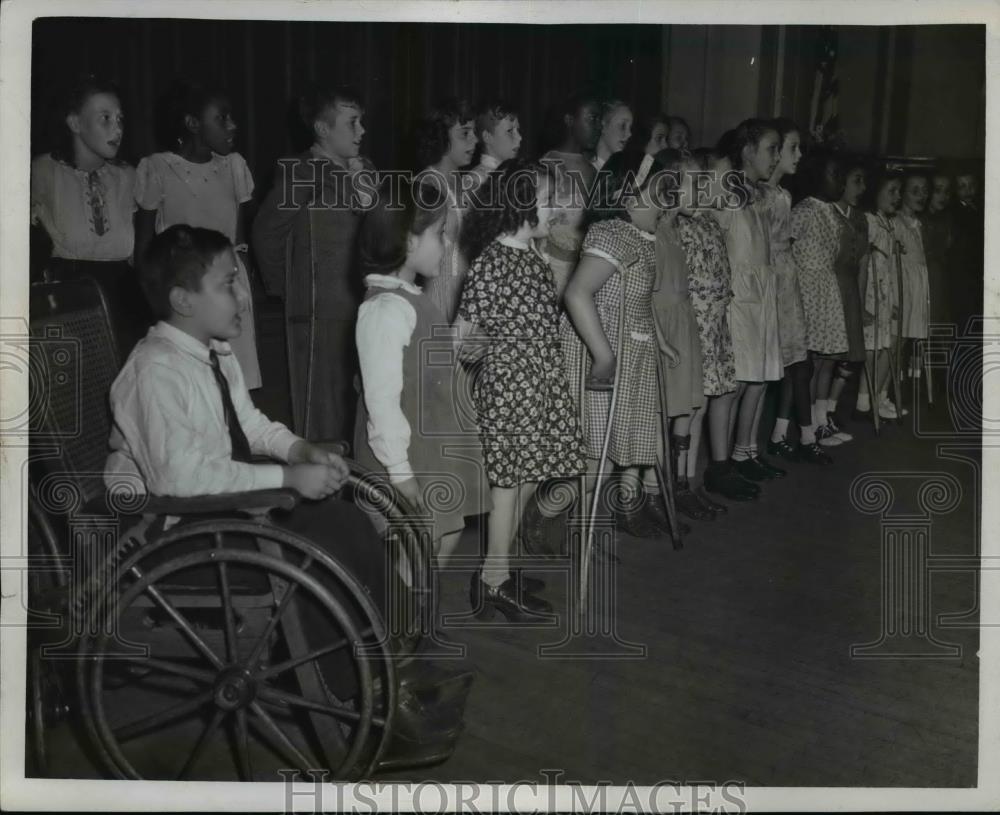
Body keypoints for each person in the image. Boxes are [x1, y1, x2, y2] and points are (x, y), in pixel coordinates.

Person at [105, 224, 386, 702]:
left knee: (345, 520)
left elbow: (250, 426)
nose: (243, 295)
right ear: (183, 300)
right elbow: (180, 477)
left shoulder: (213, 352)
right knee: (317, 554)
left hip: (218, 509)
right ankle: (341, 692)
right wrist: (285, 477)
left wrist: (299, 450)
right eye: (227, 283)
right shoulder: (155, 371)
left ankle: (384, 661)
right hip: (170, 532)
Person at [354, 178, 492, 637]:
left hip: (432, 449)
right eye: (439, 234)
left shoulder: (412, 298)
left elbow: (420, 361)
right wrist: (399, 471)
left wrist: (458, 348)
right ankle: (393, 632)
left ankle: (410, 621)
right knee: (417, 546)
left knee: (443, 534)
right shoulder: (383, 309)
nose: (446, 243)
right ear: (409, 240)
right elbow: (381, 397)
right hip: (407, 457)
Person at [456, 158, 586, 620]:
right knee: (509, 486)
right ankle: (494, 581)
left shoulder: (531, 253)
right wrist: (483, 340)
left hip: (538, 383)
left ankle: (499, 566)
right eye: (549, 202)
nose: (557, 211)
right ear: (520, 206)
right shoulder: (493, 259)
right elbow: (461, 336)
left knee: (528, 478)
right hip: (512, 390)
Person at [562, 151, 679, 539]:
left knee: (615, 451)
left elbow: (640, 300)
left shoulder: (642, 238)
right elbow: (578, 293)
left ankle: (580, 526)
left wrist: (659, 339)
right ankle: (545, 514)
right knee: (598, 456)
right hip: (604, 356)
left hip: (633, 351)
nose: (668, 202)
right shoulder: (612, 234)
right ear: (628, 195)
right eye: (660, 192)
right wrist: (604, 355)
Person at [252, 85, 375, 441]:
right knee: (323, 416)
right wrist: (290, 291)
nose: (361, 131)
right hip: (320, 313)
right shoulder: (301, 171)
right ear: (322, 129)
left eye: (362, 122)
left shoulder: (366, 170)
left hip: (363, 306)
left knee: (363, 408)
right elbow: (267, 234)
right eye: (352, 123)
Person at [134, 80, 261, 389]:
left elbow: (240, 242)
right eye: (222, 118)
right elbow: (144, 245)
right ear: (192, 123)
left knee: (234, 379)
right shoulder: (157, 168)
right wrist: (154, 298)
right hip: (184, 289)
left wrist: (241, 288)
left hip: (228, 286)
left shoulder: (234, 166)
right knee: (191, 381)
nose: (233, 125)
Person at [30, 73, 152, 355]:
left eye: (120, 119)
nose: (117, 129)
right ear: (74, 123)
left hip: (124, 304)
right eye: (105, 118)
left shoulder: (130, 177)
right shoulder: (43, 172)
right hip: (66, 303)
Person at [649, 149, 719, 520]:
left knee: (687, 407)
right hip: (665, 326)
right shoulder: (656, 230)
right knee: (662, 411)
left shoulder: (676, 228)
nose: (703, 190)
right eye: (695, 183)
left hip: (685, 321)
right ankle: (655, 494)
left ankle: (679, 487)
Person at [714, 119, 784, 488]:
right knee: (738, 381)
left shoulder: (760, 194)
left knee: (759, 379)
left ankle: (746, 451)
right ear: (747, 151)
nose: (775, 157)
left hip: (762, 291)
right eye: (771, 149)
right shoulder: (726, 191)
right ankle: (721, 465)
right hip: (738, 295)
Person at [677, 150, 747, 503]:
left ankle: (692, 482)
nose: (731, 185)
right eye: (724, 177)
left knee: (703, 405)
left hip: (714, 328)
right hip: (696, 330)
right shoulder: (683, 227)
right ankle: (681, 483)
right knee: (689, 409)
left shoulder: (710, 223)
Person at [758, 119, 828, 464]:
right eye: (792, 148)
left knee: (800, 364)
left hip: (788, 284)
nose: (797, 155)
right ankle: (773, 441)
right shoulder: (760, 196)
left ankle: (798, 435)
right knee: (769, 371)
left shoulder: (785, 195)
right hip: (766, 286)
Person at [791, 151, 850, 446]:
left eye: (841, 175)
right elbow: (785, 246)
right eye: (833, 174)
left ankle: (820, 420)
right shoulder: (804, 209)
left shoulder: (831, 212)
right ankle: (808, 426)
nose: (839, 180)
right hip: (807, 288)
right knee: (810, 361)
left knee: (828, 359)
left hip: (825, 288)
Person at [415, 99, 478, 323]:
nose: (475, 139)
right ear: (441, 137)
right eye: (465, 133)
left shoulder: (466, 184)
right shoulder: (427, 185)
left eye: (474, 132)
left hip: (465, 297)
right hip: (436, 299)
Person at [540, 91, 601, 297]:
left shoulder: (593, 170)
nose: (598, 126)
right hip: (552, 273)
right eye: (592, 118)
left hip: (584, 274)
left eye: (599, 119)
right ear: (569, 120)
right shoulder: (547, 165)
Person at [826, 156, 870, 432]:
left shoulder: (861, 219)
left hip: (851, 290)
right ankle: (818, 416)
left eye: (864, 182)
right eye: (857, 181)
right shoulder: (826, 213)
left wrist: (862, 304)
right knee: (827, 357)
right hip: (831, 289)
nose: (862, 188)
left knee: (848, 358)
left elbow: (863, 263)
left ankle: (830, 410)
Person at [857, 170, 902, 418]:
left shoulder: (890, 223)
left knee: (887, 344)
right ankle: (863, 403)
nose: (897, 197)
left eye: (898, 192)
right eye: (891, 191)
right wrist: (862, 301)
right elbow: (863, 263)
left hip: (886, 292)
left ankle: (876, 397)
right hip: (872, 293)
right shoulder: (869, 220)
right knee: (872, 348)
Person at [894, 172, 931, 392]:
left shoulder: (919, 224)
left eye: (924, 190)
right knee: (898, 338)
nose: (921, 195)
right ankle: (892, 384)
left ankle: (908, 381)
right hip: (904, 286)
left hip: (918, 285)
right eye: (914, 190)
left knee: (913, 336)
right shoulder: (896, 222)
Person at [921, 172, 954, 328]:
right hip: (926, 280)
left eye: (947, 191)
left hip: (943, 280)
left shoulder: (948, 219)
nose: (943, 196)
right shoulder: (919, 220)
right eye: (938, 190)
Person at [468, 99, 522, 191]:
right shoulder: (476, 181)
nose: (519, 137)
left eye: (518, 131)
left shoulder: (517, 174)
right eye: (510, 131)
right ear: (487, 137)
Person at [591, 99, 633, 171]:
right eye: (623, 126)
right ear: (602, 125)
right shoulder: (585, 170)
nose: (629, 134)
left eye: (630, 128)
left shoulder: (624, 172)